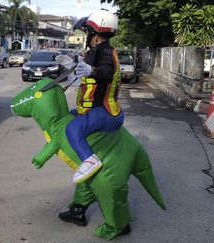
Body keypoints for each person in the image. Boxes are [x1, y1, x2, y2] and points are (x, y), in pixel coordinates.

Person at [57, 9, 127, 230]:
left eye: (87, 30)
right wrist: (76, 69)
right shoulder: (96, 50)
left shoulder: (105, 51)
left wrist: (90, 69)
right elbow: (87, 78)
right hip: (92, 108)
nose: (85, 34)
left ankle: (90, 161)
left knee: (73, 130)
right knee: (66, 118)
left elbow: (105, 73)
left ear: (96, 31)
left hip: (105, 112)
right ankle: (79, 209)